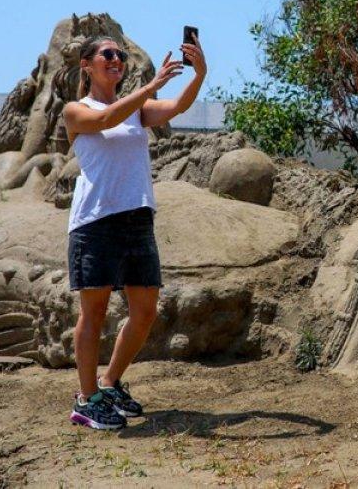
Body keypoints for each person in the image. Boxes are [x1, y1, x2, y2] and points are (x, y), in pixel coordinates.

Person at [62, 32, 206, 430]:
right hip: (95, 223)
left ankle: (109, 384)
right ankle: (87, 399)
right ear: (87, 64)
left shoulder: (137, 109)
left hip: (137, 218)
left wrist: (198, 76)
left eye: (120, 55)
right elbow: (105, 119)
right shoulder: (76, 110)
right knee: (94, 314)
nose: (117, 59)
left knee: (144, 312)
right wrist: (150, 87)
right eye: (108, 54)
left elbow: (176, 106)